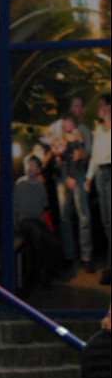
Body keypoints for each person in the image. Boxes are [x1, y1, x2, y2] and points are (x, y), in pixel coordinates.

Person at [55, 104, 94, 273]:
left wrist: (71, 175)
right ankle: (69, 255)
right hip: (64, 178)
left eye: (69, 122)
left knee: (83, 216)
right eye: (65, 123)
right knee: (64, 217)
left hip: (76, 177)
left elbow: (81, 156)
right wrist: (57, 157)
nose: (66, 125)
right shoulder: (60, 136)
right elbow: (60, 158)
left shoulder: (79, 134)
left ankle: (86, 257)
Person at [15, 155, 62, 290]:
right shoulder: (20, 183)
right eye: (28, 165)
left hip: (37, 220)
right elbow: (14, 205)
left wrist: (48, 226)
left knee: (54, 241)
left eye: (33, 166)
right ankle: (39, 273)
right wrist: (14, 222)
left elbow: (44, 208)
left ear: (38, 170)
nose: (30, 168)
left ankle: (49, 269)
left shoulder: (40, 185)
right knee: (37, 236)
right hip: (24, 220)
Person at [86, 93, 111, 286]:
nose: (99, 109)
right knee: (106, 222)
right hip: (101, 175)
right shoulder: (98, 129)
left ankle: (109, 269)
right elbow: (95, 156)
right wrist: (89, 178)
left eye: (101, 106)